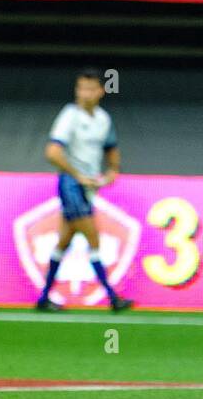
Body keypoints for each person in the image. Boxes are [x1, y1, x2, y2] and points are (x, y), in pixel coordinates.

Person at [36, 69, 134, 313]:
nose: (84, 94)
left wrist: (112, 171)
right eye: (80, 88)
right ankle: (113, 298)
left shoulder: (103, 119)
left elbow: (111, 149)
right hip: (71, 184)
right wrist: (77, 174)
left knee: (64, 241)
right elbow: (52, 152)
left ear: (101, 91)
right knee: (93, 239)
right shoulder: (69, 116)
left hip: (88, 187)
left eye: (90, 89)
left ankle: (44, 299)